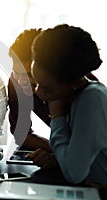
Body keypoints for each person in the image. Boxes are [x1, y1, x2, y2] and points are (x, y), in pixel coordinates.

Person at [8, 28, 97, 169]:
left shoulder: (82, 86)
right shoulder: (16, 83)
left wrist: (63, 155)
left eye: (28, 75)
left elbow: (91, 144)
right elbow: (21, 133)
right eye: (16, 72)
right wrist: (58, 150)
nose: (20, 81)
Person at [31, 24, 107, 185]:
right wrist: (58, 159)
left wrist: (57, 117)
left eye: (48, 89)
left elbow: (74, 173)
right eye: (36, 83)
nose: (38, 92)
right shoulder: (77, 96)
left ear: (74, 82)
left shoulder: (91, 99)